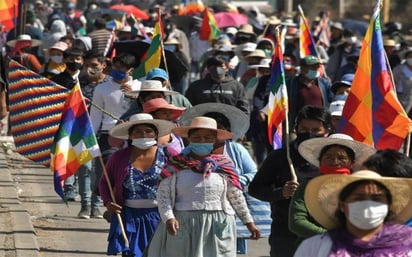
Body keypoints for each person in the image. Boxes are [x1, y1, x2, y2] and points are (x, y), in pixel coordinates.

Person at [146, 116, 261, 257]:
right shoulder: (175, 165)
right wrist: (169, 218)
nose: (202, 141)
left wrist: (249, 223)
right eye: (197, 137)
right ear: (189, 139)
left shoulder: (224, 165)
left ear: (215, 140)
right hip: (183, 224)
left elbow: (236, 196)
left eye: (207, 137)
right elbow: (163, 195)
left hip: (219, 225)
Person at [180, 103, 272, 254]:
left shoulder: (236, 149)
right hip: (196, 213)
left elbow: (252, 173)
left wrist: (231, 181)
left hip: (231, 211)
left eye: (219, 129)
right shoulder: (187, 153)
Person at [248, 105, 332, 257]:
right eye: (304, 129)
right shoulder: (281, 157)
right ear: (295, 128)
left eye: (315, 131)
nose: (309, 135)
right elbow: (255, 188)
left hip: (324, 232)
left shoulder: (334, 159)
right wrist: (281, 192)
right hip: (286, 235)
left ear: (327, 131)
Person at [99, 113, 175, 257]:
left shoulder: (168, 155)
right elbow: (104, 182)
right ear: (130, 135)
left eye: (148, 131)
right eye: (138, 132)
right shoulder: (119, 157)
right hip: (130, 218)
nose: (143, 135)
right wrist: (108, 202)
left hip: (161, 217)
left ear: (156, 134)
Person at [294, 170, 412, 256]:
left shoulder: (408, 244)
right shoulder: (315, 246)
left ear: (389, 206)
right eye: (359, 198)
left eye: (376, 199)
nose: (368, 205)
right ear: (342, 205)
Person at [288, 133, 376, 250]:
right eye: (328, 157)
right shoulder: (307, 187)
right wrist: (331, 236)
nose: (334, 162)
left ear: (352, 163)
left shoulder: (361, 188)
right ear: (320, 161)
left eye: (342, 158)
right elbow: (296, 221)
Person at [76, 51, 109, 219]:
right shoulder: (78, 85)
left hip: (104, 134)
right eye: (87, 65)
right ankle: (85, 204)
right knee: (85, 169)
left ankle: (96, 204)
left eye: (94, 65)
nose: (90, 69)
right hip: (83, 132)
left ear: (103, 65)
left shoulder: (110, 84)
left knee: (101, 170)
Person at [286, 56, 333, 131]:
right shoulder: (290, 84)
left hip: (319, 126)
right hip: (298, 127)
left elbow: (331, 100)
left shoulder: (324, 83)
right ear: (302, 68)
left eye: (317, 67)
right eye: (312, 67)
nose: (315, 69)